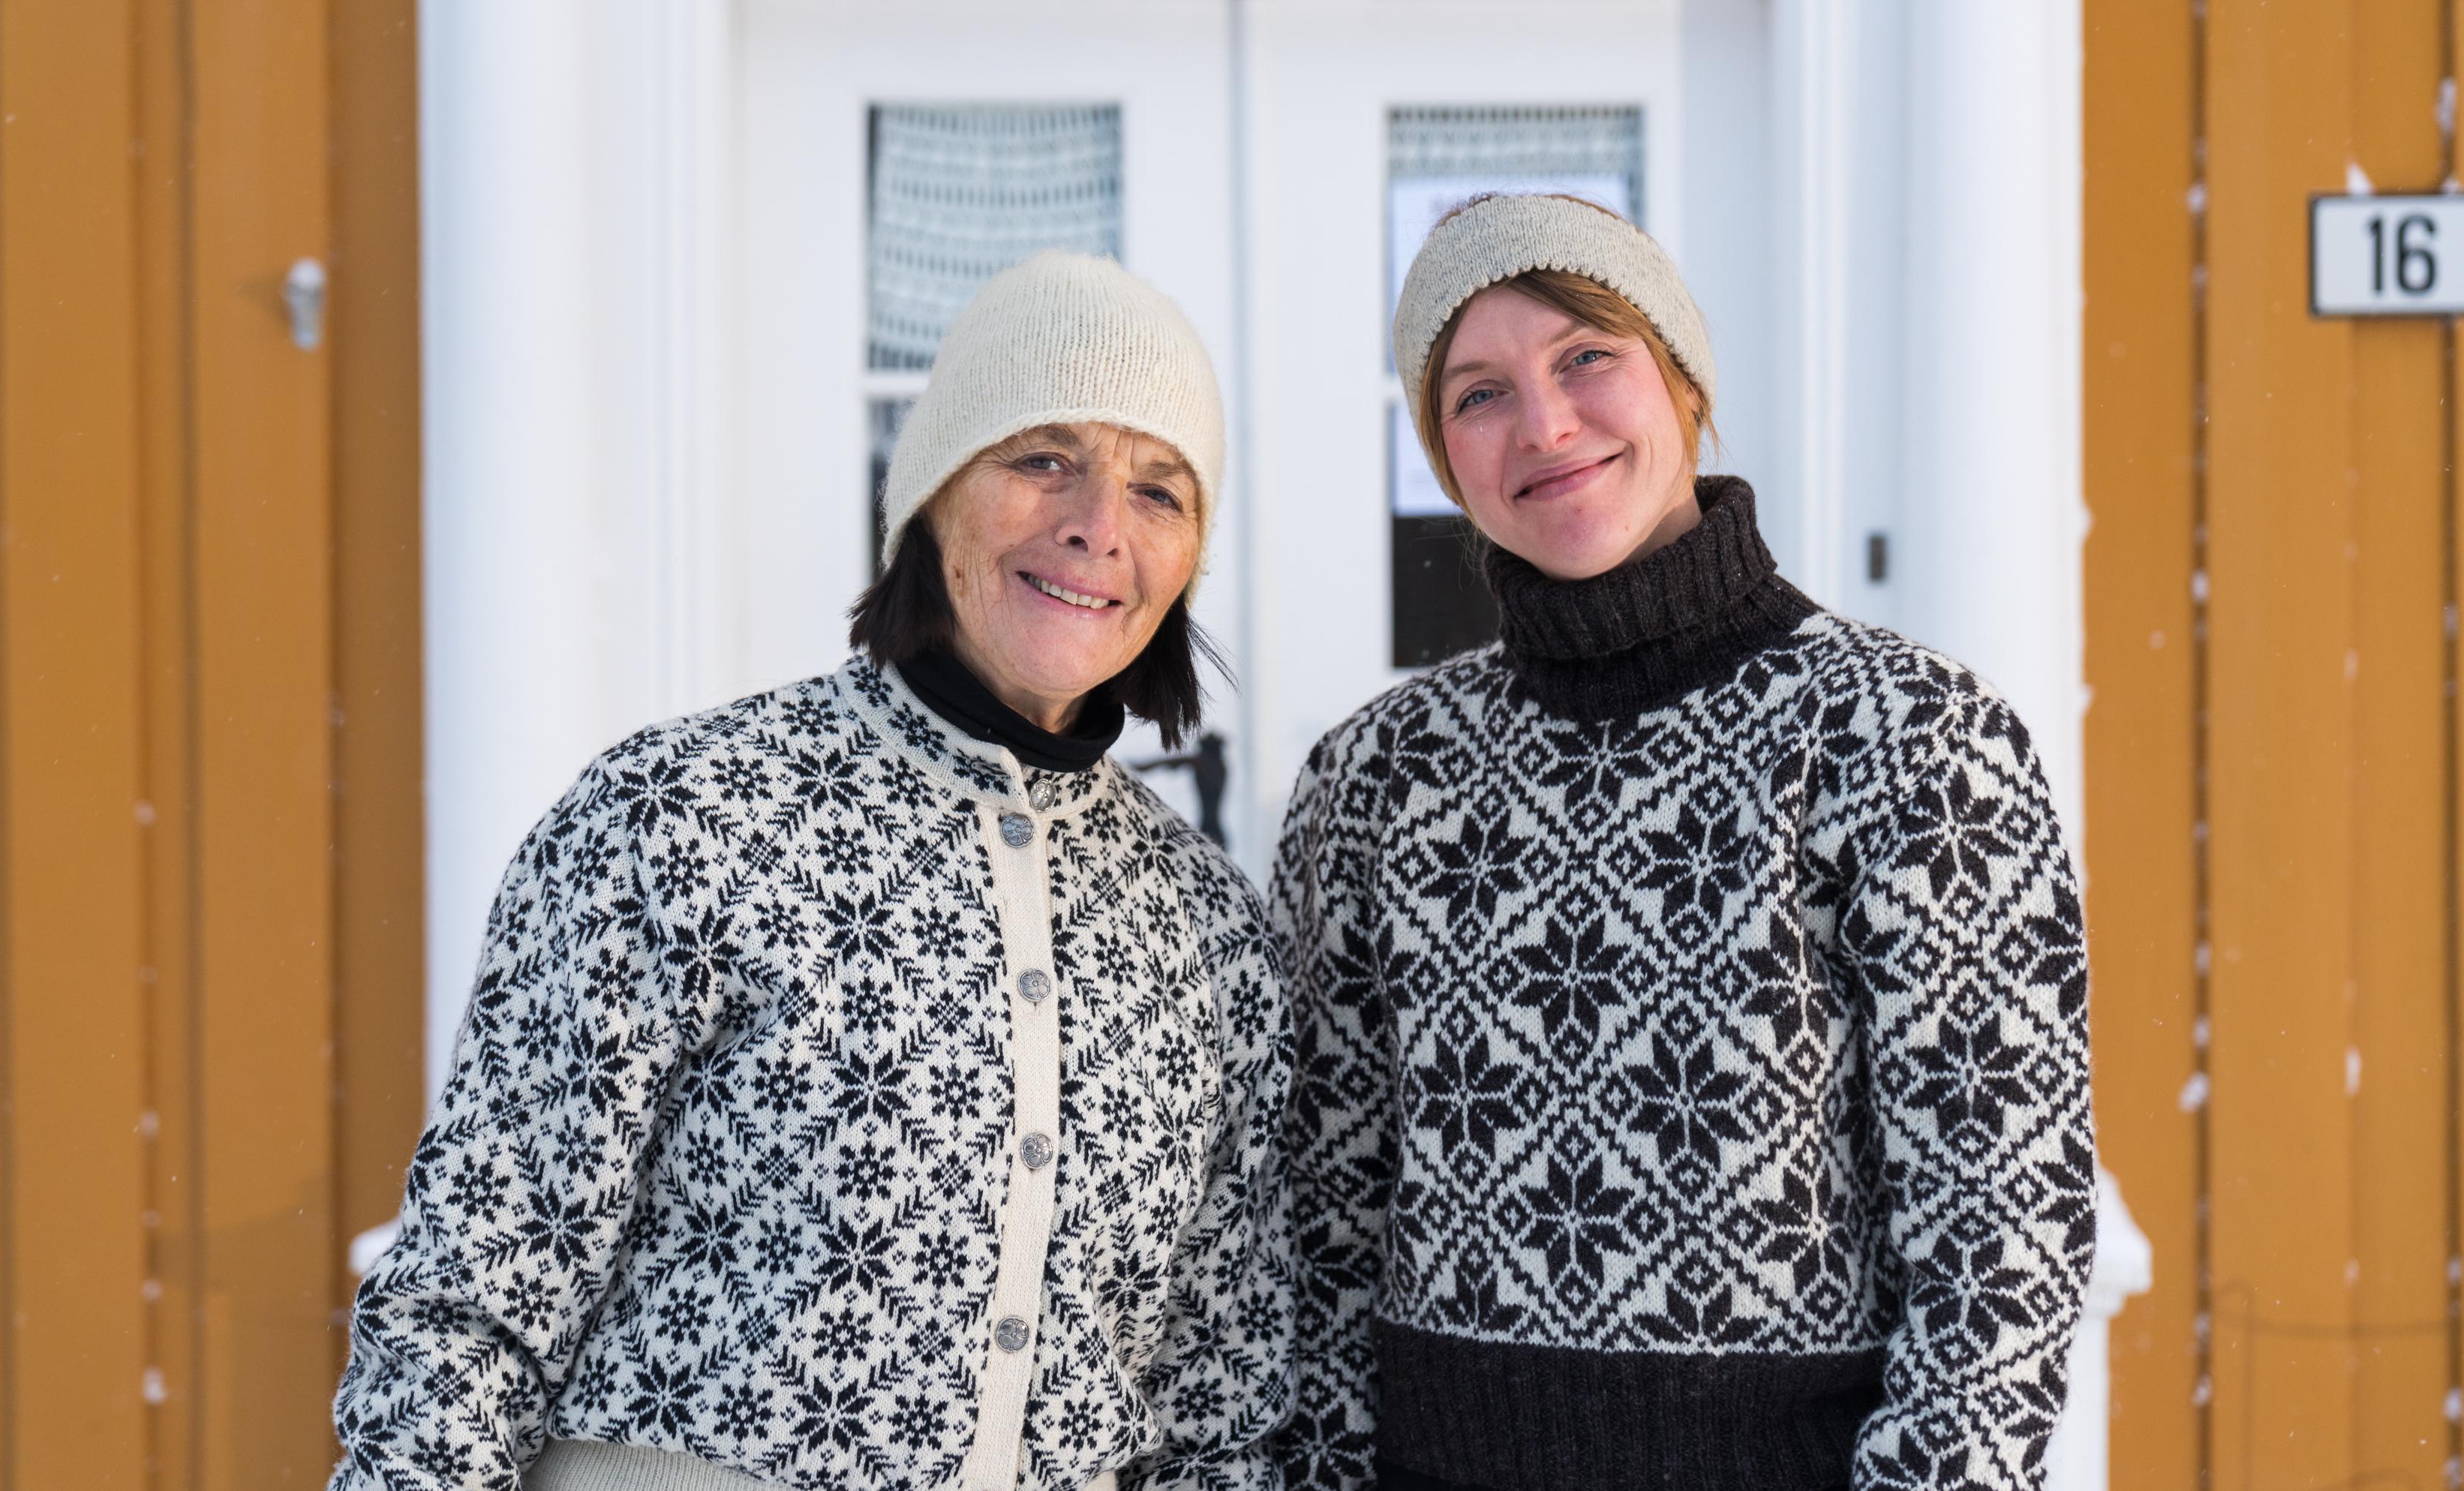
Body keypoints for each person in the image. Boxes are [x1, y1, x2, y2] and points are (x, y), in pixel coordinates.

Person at [332, 251, 1294, 1491]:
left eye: (1160, 492)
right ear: (932, 496)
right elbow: (469, 1302)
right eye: (1041, 456)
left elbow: (1226, 1403)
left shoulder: (1208, 932)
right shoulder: (683, 818)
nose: (1096, 525)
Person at [1274, 194, 2094, 1491]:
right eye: (1477, 393)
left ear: (1683, 377)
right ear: (1443, 457)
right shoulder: (1378, 777)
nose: (1543, 425)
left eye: (1585, 356)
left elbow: (2004, 1237)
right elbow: (1321, 1226)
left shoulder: (1901, 738)